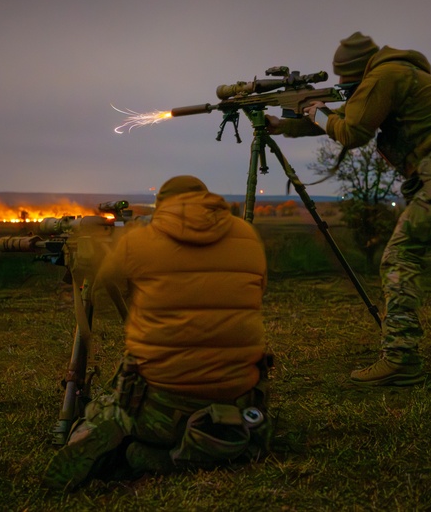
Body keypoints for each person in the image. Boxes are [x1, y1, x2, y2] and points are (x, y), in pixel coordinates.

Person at [267, 32, 431, 387]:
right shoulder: (398, 73)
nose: (340, 84)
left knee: (400, 257)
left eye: (342, 77)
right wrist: (285, 126)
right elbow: (350, 120)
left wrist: (319, 113)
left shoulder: (386, 76)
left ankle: (401, 358)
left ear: (354, 70)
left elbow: (351, 132)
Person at [42, 175, 272, 490]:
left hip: (162, 409)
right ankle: (223, 442)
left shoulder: (140, 241)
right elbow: (254, 293)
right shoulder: (247, 234)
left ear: (162, 206)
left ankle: (135, 452)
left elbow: (101, 288)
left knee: (101, 415)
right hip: (242, 402)